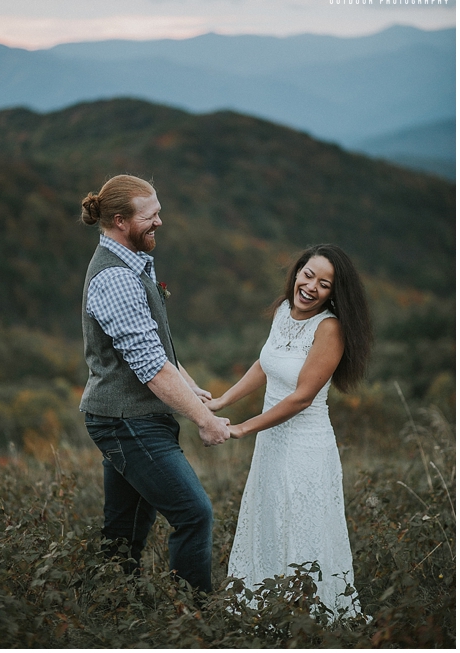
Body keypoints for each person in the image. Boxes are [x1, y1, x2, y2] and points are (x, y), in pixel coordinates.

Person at [78, 174, 230, 595]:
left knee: (125, 530)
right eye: (152, 215)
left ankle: (109, 607)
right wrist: (204, 420)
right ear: (121, 221)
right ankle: (194, 620)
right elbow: (150, 367)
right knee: (194, 514)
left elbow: (155, 348)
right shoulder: (116, 278)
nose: (160, 222)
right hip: (125, 420)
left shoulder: (133, 262)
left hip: (132, 416)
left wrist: (191, 388)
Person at [209, 244, 372, 618]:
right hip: (272, 443)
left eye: (325, 284)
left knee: (301, 527)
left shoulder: (329, 328)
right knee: (268, 519)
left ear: (334, 293)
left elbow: (301, 398)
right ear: (297, 272)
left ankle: (306, 619)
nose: (311, 286)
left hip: (305, 448)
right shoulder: (283, 310)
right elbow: (266, 364)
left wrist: (243, 428)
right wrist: (222, 402)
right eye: (308, 274)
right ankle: (264, 610)